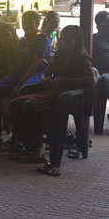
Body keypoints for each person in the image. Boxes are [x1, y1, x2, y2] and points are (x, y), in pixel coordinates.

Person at [8, 25, 95, 173]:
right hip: (51, 91)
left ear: (77, 41)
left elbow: (91, 80)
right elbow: (46, 73)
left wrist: (64, 81)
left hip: (68, 96)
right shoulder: (60, 56)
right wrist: (44, 79)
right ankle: (30, 146)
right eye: (63, 40)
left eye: (69, 40)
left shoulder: (82, 58)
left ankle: (37, 148)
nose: (65, 43)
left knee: (30, 105)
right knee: (14, 104)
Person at [0, 11, 51, 147]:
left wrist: (19, 83)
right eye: (24, 22)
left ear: (37, 24)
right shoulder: (22, 41)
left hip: (36, 74)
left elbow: (34, 65)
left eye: (30, 22)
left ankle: (23, 138)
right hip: (21, 72)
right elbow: (18, 65)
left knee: (23, 90)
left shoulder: (42, 39)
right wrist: (16, 50)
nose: (26, 25)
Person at [92, 11, 109, 134]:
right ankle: (98, 126)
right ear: (98, 25)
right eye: (106, 22)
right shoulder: (94, 39)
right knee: (104, 80)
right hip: (99, 73)